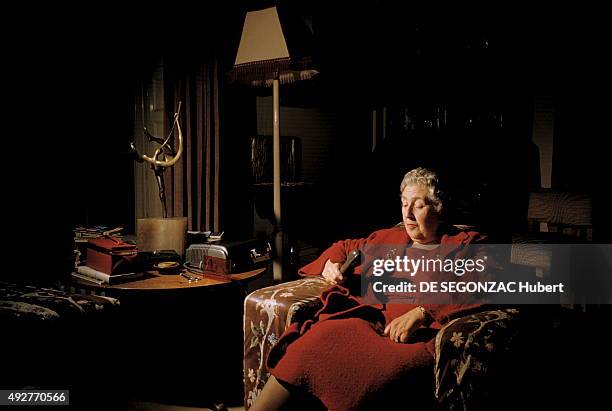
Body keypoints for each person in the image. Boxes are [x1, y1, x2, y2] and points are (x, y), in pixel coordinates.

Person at [250, 167, 489, 411]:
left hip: (412, 338)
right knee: (307, 346)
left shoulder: (465, 244)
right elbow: (343, 247)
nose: (407, 214)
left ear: (438, 208)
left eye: (418, 205)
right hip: (366, 320)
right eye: (404, 203)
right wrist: (330, 265)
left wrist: (422, 312)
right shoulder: (388, 239)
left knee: (372, 375)